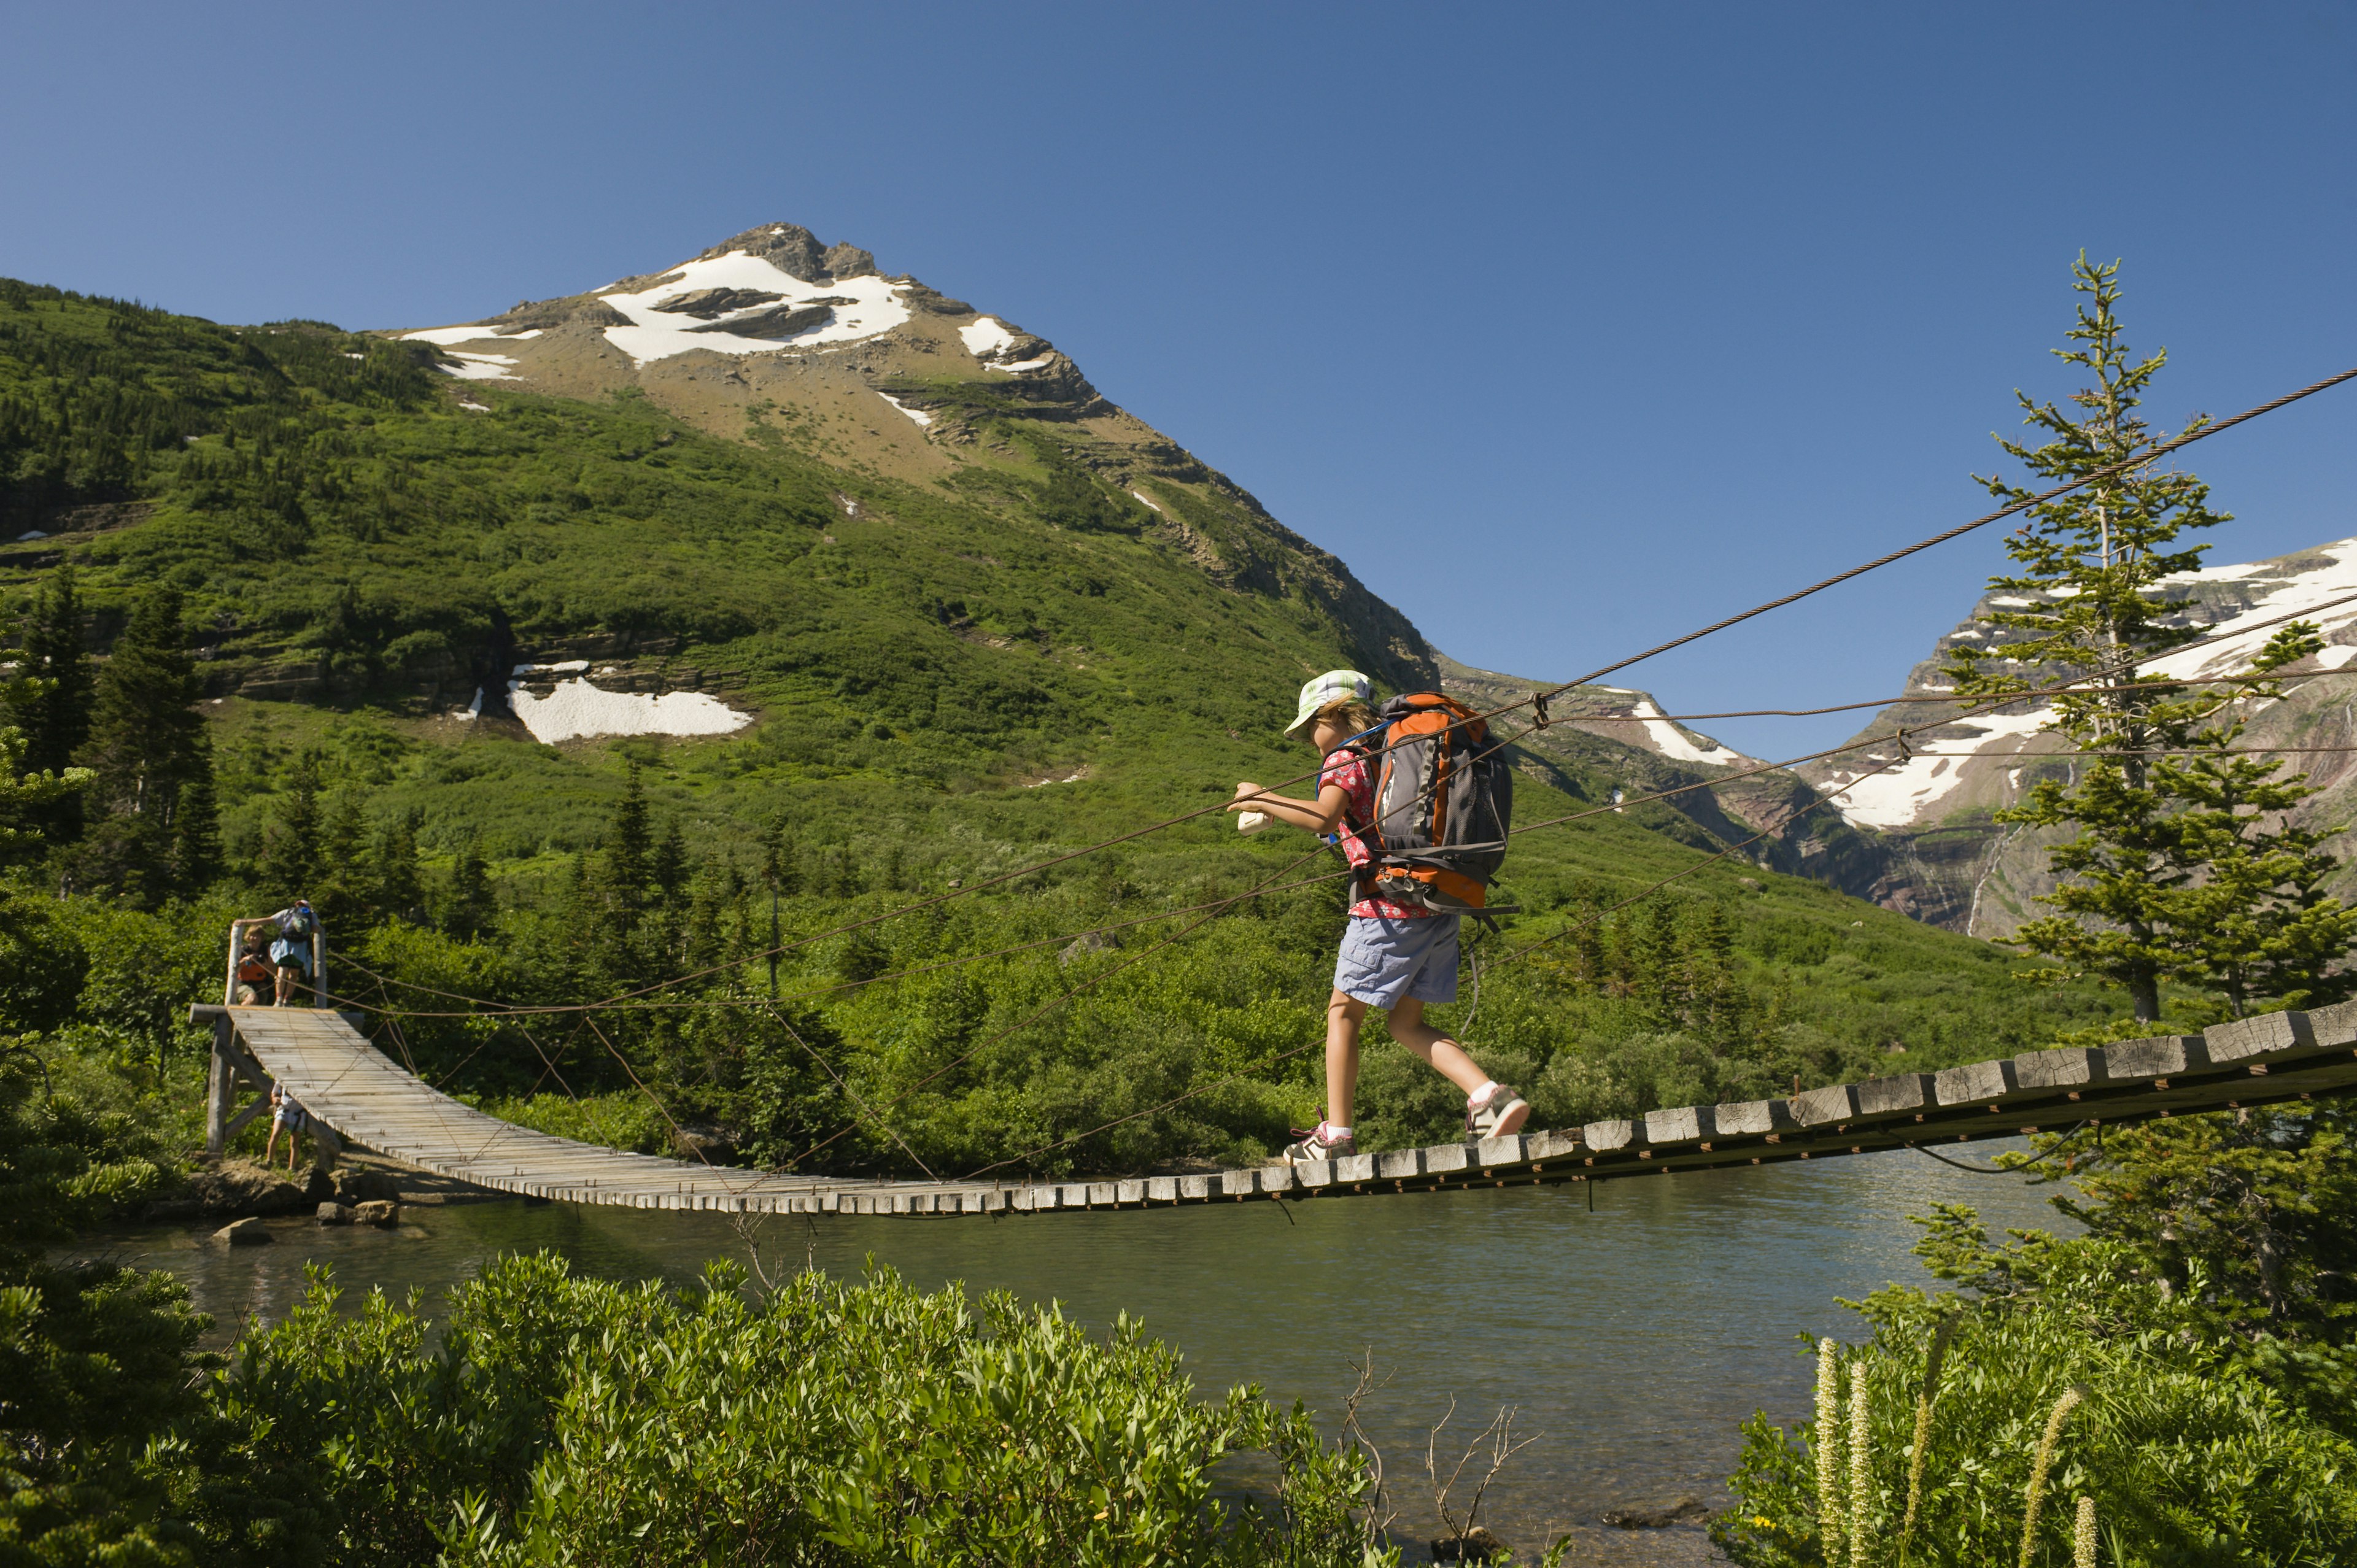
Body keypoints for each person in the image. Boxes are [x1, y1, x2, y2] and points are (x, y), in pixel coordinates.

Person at [1230, 670, 1530, 1162]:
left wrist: (1260, 796)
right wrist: (1280, 810)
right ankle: (1490, 1097)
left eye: (1311, 728)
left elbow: (1325, 816)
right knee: (1406, 1024)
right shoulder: (1392, 752)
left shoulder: (1346, 756)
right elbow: (1351, 827)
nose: (1311, 740)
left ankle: (1336, 1136)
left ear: (1335, 716)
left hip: (1387, 910)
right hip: (1436, 902)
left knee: (1343, 1014)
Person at [268, 899, 316, 1006]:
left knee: (282, 971)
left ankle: (278, 999)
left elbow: (270, 920)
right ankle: (287, 1000)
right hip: (300, 948)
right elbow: (316, 929)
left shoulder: (288, 912)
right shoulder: (312, 915)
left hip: (285, 946)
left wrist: (246, 922)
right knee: (294, 974)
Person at [263, 1081, 307, 1172]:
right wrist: (275, 1099)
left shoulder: (305, 1078)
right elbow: (275, 1093)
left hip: (298, 1112)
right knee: (275, 1134)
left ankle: (292, 1169)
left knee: (295, 1142)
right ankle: (269, 1161)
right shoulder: (283, 1078)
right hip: (284, 1110)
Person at [233, 931, 275, 1005]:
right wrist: (246, 960)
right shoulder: (243, 950)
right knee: (252, 999)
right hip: (243, 983)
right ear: (248, 937)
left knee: (259, 1008)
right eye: (252, 936)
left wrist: (265, 964)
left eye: (258, 936)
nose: (255, 938)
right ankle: (238, 1013)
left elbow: (274, 973)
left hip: (260, 984)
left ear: (262, 938)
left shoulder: (266, 951)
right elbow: (235, 968)